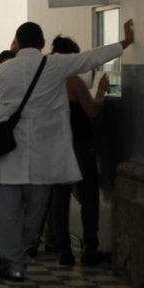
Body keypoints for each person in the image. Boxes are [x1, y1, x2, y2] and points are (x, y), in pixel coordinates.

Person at [0, 20, 134, 282]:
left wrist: (3, 119)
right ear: (42, 44)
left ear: (16, 42)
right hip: (45, 154)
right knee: (36, 211)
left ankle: (12, 260)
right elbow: (90, 58)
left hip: (8, 153)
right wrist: (125, 43)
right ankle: (16, 258)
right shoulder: (57, 65)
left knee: (5, 212)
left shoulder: (4, 69)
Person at [49, 36, 112, 266]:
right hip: (79, 145)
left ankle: (63, 250)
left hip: (55, 145)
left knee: (60, 197)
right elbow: (92, 111)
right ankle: (90, 249)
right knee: (88, 196)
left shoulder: (47, 80)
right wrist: (101, 91)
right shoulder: (73, 81)